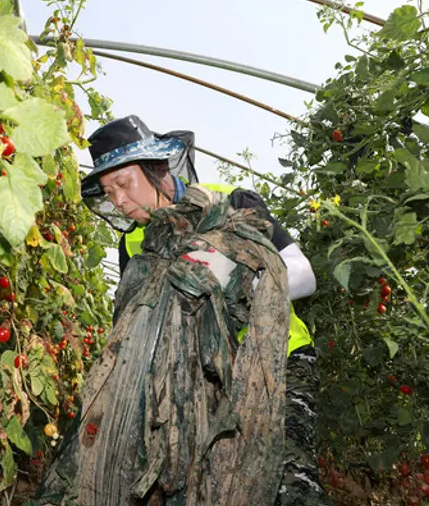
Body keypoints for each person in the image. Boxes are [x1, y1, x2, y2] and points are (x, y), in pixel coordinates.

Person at [79, 115, 329, 506]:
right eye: (109, 193)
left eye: (124, 184)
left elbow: (302, 274)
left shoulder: (230, 202)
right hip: (202, 380)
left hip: (276, 361)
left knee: (287, 478)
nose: (119, 201)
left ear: (157, 169)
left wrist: (227, 293)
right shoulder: (134, 246)